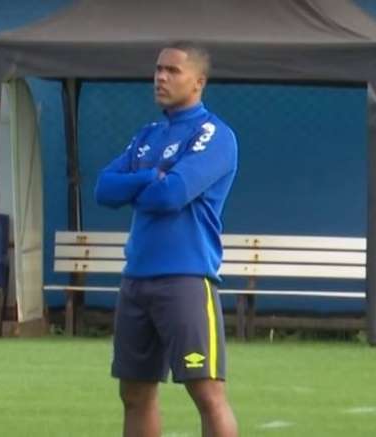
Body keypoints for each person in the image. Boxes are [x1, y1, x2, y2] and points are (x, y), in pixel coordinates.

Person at [94, 42, 239, 437]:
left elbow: (171, 194)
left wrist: (142, 186)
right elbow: (103, 189)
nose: (160, 77)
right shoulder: (147, 135)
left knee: (207, 392)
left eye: (173, 70)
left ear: (198, 81)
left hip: (186, 279)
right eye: (158, 69)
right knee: (135, 394)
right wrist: (146, 177)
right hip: (137, 278)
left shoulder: (214, 134)